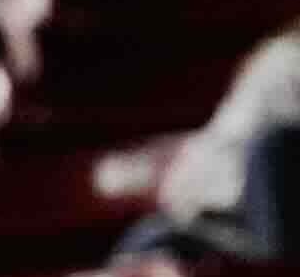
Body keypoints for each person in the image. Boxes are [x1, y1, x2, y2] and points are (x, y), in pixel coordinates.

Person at [127, 23, 300, 263]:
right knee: (150, 241)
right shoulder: (284, 61)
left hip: (274, 237)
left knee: (273, 150)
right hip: (233, 217)